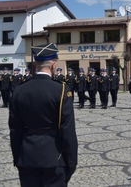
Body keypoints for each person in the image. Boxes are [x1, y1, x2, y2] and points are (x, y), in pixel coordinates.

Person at [9, 43, 78, 187]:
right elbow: (67, 130)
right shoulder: (61, 90)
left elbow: (15, 129)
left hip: (27, 155)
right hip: (54, 156)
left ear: (35, 64)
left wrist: (18, 157)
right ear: (53, 65)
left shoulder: (19, 90)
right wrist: (71, 162)